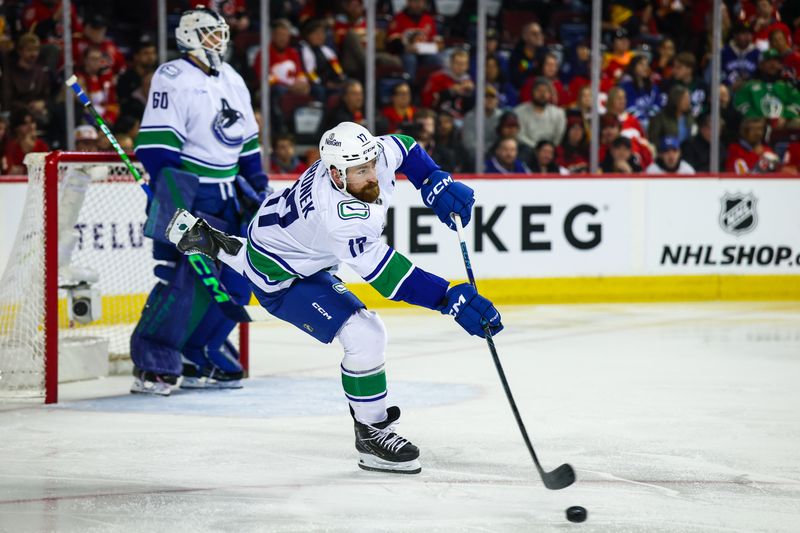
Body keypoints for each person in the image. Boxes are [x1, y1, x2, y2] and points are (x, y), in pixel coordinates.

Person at [167, 121, 502, 474]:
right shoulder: (341, 218)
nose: (372, 176)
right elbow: (391, 277)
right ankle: (371, 432)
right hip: (283, 277)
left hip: (285, 240)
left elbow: (404, 146)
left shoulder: (356, 158)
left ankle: (217, 244)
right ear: (336, 175)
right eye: (361, 171)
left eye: (371, 165)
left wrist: (433, 179)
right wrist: (449, 299)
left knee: (284, 262)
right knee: (366, 333)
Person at [131, 7, 269, 395]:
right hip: (194, 191)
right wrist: (175, 200)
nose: (218, 40)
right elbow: (157, 148)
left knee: (240, 280)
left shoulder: (233, 78)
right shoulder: (172, 76)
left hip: (231, 194)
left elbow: (248, 146)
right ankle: (153, 362)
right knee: (184, 282)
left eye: (221, 32)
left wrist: (259, 187)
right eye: (210, 33)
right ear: (189, 36)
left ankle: (197, 352)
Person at [513, 78, 566, 148]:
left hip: (551, 150)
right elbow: (520, 135)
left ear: (550, 94)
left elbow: (559, 136)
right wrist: (537, 148)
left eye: (546, 91)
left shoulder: (559, 113)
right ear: (532, 92)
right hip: (527, 148)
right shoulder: (519, 111)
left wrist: (548, 148)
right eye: (539, 90)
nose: (542, 94)